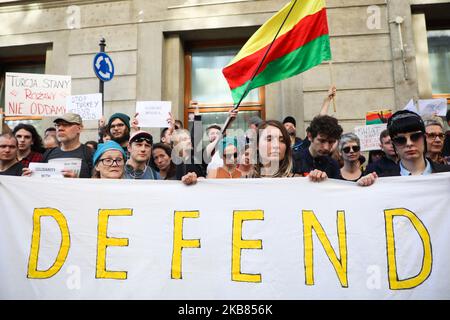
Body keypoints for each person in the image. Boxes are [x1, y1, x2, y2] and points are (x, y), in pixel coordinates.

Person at [358, 110, 450, 186]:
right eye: (400, 140)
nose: (409, 143)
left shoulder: (447, 173)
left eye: (415, 137)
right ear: (394, 145)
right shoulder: (382, 180)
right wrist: (363, 188)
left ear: (424, 138)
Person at [24, 113, 93, 178]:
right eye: (57, 125)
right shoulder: (48, 154)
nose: (60, 128)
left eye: (66, 125)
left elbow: (97, 184)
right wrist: (30, 176)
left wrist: (77, 181)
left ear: (79, 129)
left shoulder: (90, 153)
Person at [294, 115, 343, 179]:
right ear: (310, 136)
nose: (326, 147)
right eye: (322, 141)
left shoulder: (333, 165)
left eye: (331, 142)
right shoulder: (293, 160)